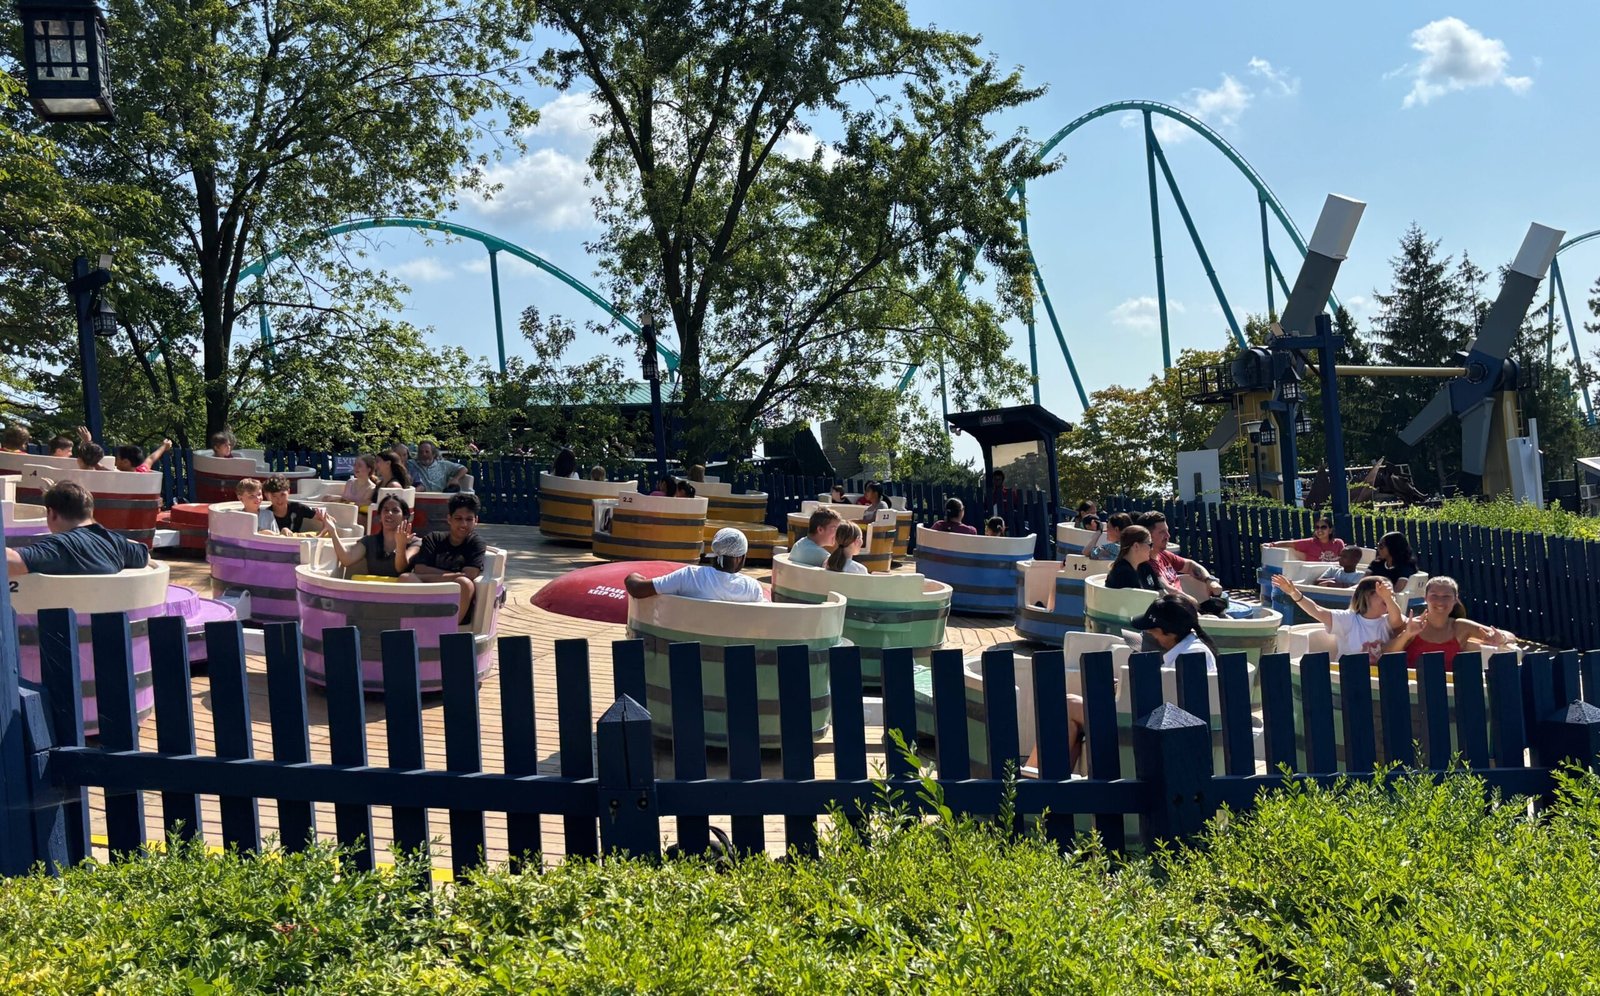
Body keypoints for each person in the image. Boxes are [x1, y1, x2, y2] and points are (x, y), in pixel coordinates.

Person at [6, 481, 149, 577]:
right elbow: (145, 555)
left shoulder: (59, 547)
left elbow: (8, 562)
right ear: (90, 512)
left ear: (52, 513)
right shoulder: (117, 543)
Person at [1384, 576, 1514, 670]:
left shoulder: (1460, 627)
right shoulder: (1413, 624)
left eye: (1446, 596)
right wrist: (1406, 635)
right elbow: (1385, 655)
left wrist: (1501, 638)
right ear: (1425, 598)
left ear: (1455, 600)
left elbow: (1511, 637)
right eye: (1434, 595)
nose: (1440, 601)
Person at [1272, 573, 1403, 665]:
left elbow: (1397, 620)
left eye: (1391, 595)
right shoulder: (1348, 619)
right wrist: (1294, 593)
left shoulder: (1387, 621)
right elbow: (1317, 610)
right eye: (1384, 593)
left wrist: (1387, 598)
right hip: (1348, 675)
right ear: (1367, 595)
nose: (1390, 597)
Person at [624, 527, 767, 603]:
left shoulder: (689, 576)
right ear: (740, 558)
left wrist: (631, 577)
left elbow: (637, 589)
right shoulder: (751, 588)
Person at [404, 493, 487, 624]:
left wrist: (428, 576)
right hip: (428, 595)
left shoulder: (476, 543)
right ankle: (418, 622)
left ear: (476, 520)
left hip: (456, 603)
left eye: (469, 519)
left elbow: (470, 574)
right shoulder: (433, 538)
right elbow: (419, 569)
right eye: (458, 518)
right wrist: (455, 576)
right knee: (406, 578)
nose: (464, 524)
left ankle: (449, 628)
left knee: (464, 583)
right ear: (449, 519)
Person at [319, 492, 419, 578]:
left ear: (404, 517)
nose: (389, 513)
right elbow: (347, 559)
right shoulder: (369, 541)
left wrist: (401, 546)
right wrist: (332, 530)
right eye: (385, 510)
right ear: (380, 517)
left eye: (395, 510)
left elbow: (400, 568)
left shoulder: (415, 542)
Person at [1136, 511, 1223, 597]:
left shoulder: (1164, 555)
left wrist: (1210, 581)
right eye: (1162, 532)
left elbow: (1190, 565)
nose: (1168, 536)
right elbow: (1167, 590)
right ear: (1148, 536)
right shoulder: (1145, 565)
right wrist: (1192, 603)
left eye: (1167, 530)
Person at [1131, 595, 1221, 672]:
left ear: (1171, 634)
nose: (1149, 632)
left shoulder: (1192, 656)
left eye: (1153, 629)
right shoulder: (1186, 650)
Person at [1105, 524, 1163, 592]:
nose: (1152, 548)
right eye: (1150, 544)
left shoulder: (1145, 567)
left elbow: (1159, 590)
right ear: (1136, 546)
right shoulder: (1122, 574)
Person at [1268, 515, 1345, 563]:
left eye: (1323, 527)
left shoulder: (1338, 543)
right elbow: (1290, 543)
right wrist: (1272, 544)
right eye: (1317, 527)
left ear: (1330, 530)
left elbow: (1345, 560)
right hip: (1313, 576)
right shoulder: (1310, 543)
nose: (1319, 530)